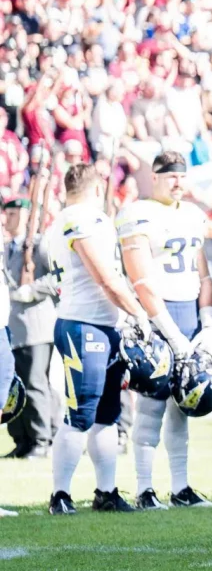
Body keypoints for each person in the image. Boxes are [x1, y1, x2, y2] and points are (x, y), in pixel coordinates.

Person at [47, 162, 151, 516]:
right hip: (83, 324)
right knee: (81, 413)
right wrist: (138, 312)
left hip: (103, 324)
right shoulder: (80, 218)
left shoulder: (78, 218)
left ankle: (106, 491)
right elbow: (105, 277)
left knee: (108, 414)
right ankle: (60, 494)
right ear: (96, 188)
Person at [115, 151, 212, 509]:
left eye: (181, 175)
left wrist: (208, 321)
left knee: (182, 406)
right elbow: (141, 280)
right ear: (154, 177)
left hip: (189, 313)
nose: (177, 182)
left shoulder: (192, 214)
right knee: (150, 407)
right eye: (170, 175)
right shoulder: (137, 213)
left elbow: (204, 275)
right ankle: (144, 489)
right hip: (156, 317)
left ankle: (181, 487)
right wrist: (170, 334)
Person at [5, 196, 58, 460]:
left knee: (35, 384)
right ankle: (22, 440)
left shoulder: (41, 245)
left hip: (37, 327)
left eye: (13, 214)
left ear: (28, 217)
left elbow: (59, 276)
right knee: (14, 386)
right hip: (13, 328)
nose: (7, 218)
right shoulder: (8, 248)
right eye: (7, 213)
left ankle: (41, 439)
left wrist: (33, 289)